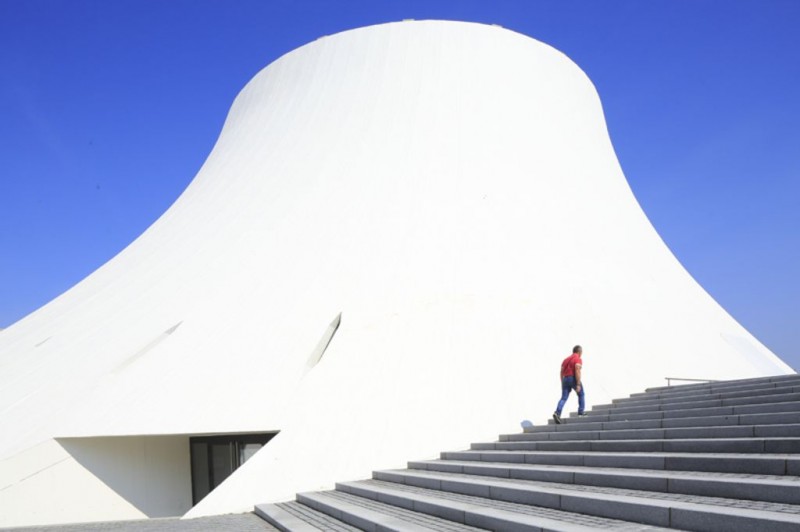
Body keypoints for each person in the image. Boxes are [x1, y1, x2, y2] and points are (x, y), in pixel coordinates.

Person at [553, 345, 585, 424]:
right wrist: (577, 384)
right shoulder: (578, 358)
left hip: (565, 379)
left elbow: (561, 372)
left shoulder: (565, 360)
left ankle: (557, 413)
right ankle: (581, 412)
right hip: (573, 378)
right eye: (581, 352)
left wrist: (562, 383)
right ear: (579, 352)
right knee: (581, 394)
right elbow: (577, 370)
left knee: (563, 398)